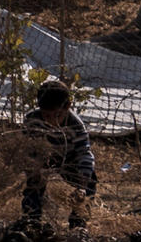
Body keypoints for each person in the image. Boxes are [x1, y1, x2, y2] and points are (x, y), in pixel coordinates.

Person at [20, 81, 96, 230]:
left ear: (67, 107)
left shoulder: (75, 125)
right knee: (34, 184)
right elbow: (26, 147)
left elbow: (84, 154)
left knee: (89, 182)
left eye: (55, 115)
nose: (49, 120)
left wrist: (83, 183)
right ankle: (31, 221)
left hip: (69, 159)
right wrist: (32, 165)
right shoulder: (32, 120)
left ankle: (78, 224)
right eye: (45, 115)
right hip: (43, 158)